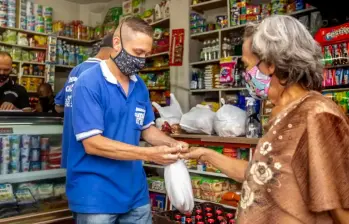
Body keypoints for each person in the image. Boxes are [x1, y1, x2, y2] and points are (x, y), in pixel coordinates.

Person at [182, 15, 349, 224]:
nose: (247, 74)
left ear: (270, 64)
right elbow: (260, 175)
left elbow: (341, 207)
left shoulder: (317, 115)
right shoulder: (282, 113)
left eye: (247, 65)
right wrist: (205, 154)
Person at [67, 17, 188, 224]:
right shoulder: (89, 82)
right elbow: (93, 143)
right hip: (96, 193)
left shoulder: (139, 85)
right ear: (117, 43)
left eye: (146, 55)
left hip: (135, 192)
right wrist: (150, 154)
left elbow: (147, 130)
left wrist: (172, 144)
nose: (141, 60)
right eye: (137, 52)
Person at [55, 34, 114, 168]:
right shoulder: (102, 72)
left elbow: (59, 106)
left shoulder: (76, 69)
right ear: (114, 49)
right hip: (92, 157)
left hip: (72, 152)